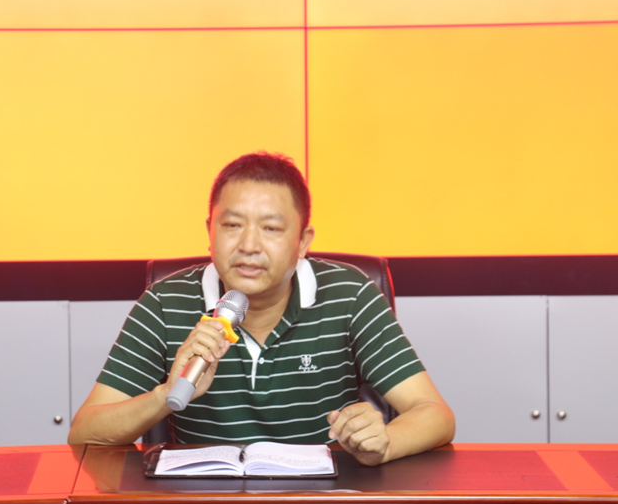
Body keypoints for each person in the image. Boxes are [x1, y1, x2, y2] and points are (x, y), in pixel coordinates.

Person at [68, 151, 454, 465]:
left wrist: (383, 443)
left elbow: (435, 414)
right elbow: (84, 433)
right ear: (209, 232)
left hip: (317, 499)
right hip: (204, 499)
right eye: (232, 225)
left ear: (303, 241)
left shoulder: (349, 294)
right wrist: (165, 394)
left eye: (271, 229)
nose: (249, 246)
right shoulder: (165, 303)